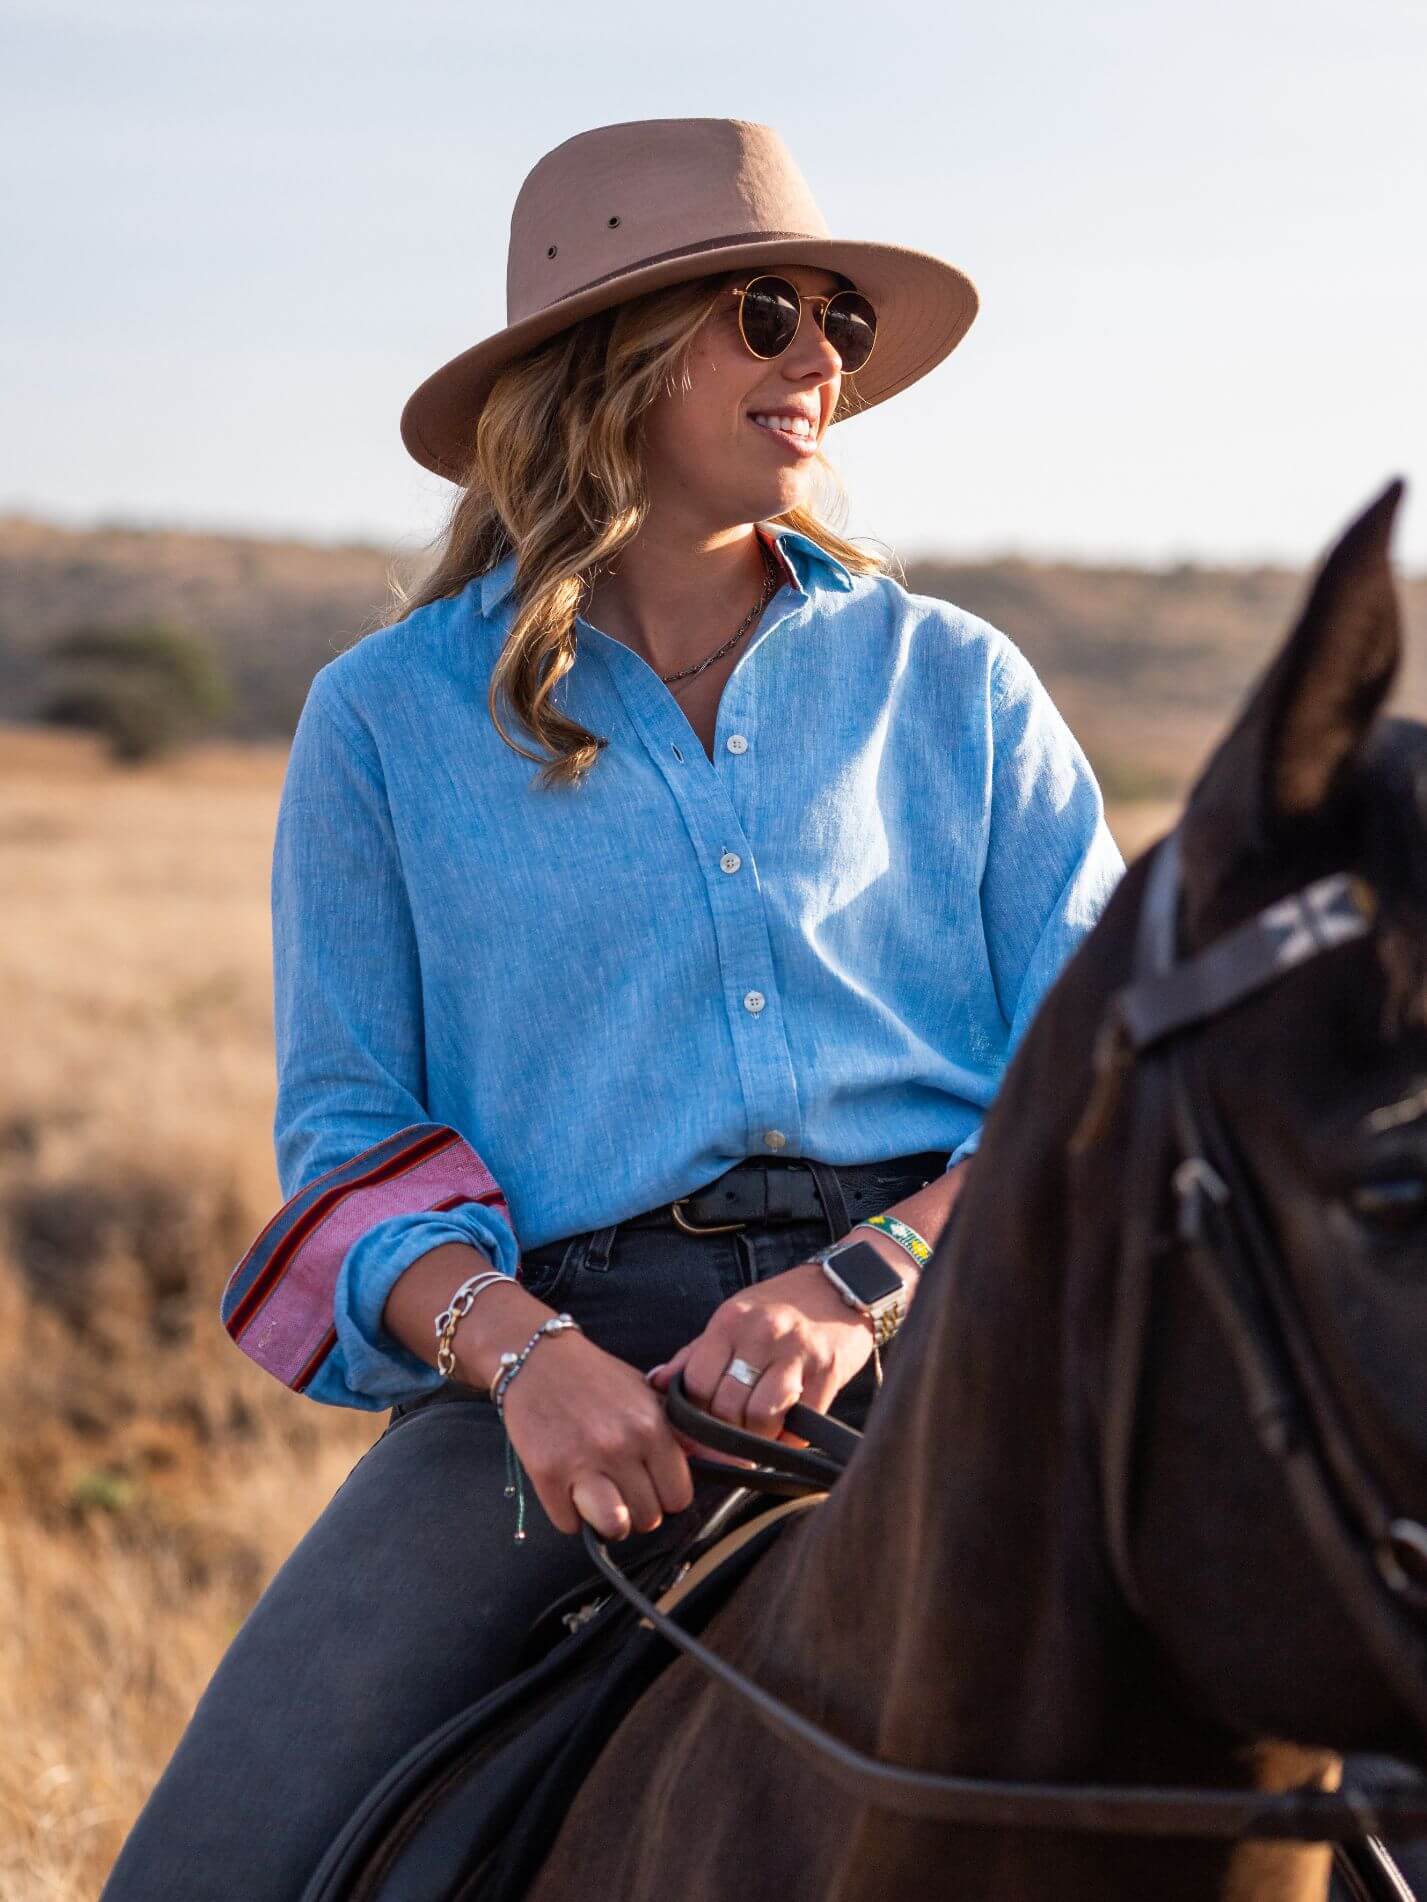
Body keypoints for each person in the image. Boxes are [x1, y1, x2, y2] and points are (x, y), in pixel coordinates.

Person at [101, 116, 1125, 1899]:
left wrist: (868, 1279)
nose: (820, 357)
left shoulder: (953, 683)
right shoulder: (385, 719)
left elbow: (1102, 1073)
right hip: (570, 1375)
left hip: (969, 1325)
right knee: (216, 1857)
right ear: (610, 356)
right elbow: (346, 1146)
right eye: (768, 310)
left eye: (837, 324)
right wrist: (527, 1363)